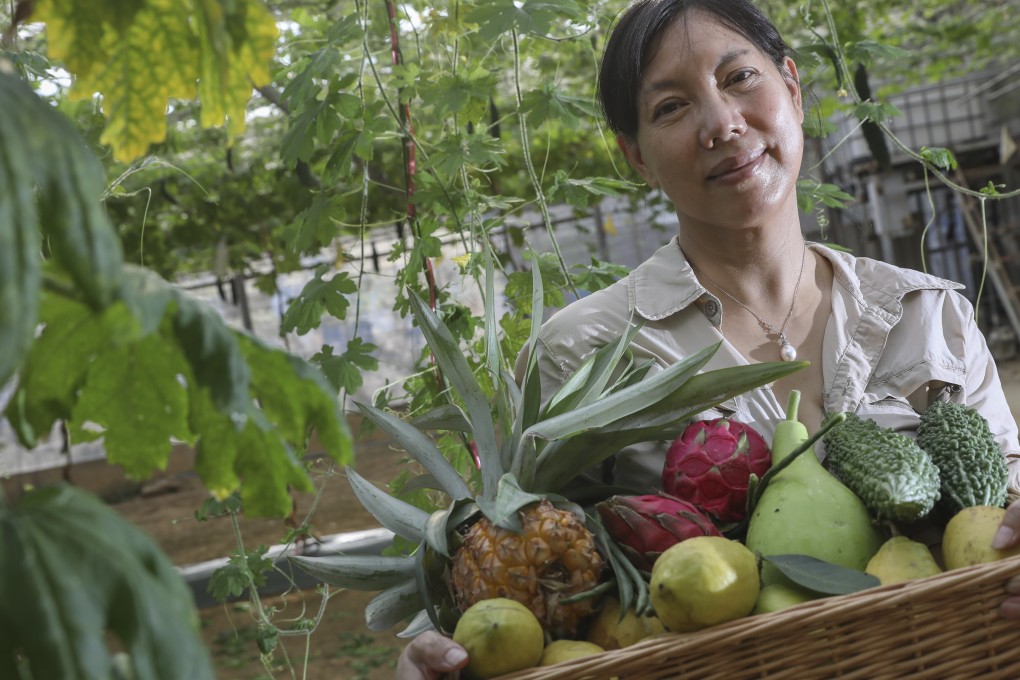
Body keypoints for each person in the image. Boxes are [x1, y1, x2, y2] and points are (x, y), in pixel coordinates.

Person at [396, 0, 1020, 675]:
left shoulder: (927, 313)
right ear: (636, 155)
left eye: (740, 78)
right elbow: (513, 568)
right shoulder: (584, 350)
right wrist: (441, 652)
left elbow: (1004, 506)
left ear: (793, 88)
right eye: (670, 108)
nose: (721, 124)